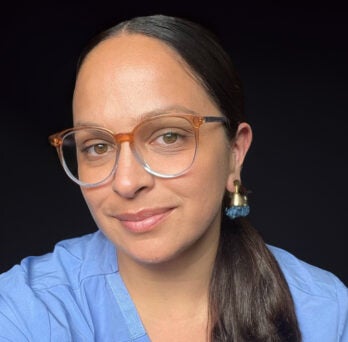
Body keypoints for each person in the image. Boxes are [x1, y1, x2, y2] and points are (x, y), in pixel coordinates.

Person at [0, 14, 347, 342]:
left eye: (168, 136)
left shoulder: (327, 313)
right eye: (97, 146)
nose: (126, 182)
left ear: (235, 153)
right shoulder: (25, 309)